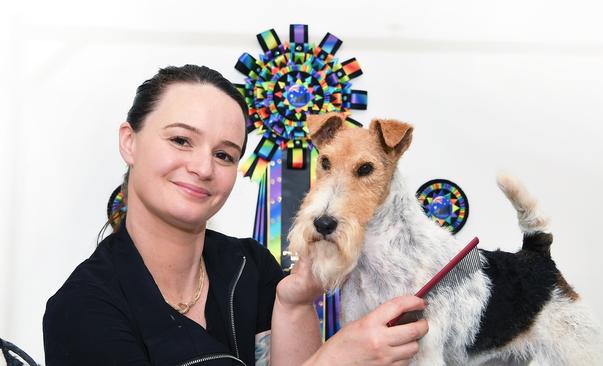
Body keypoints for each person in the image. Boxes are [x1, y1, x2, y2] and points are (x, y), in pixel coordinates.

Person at [42, 64, 428, 366]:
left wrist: (293, 303)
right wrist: (333, 359)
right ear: (130, 141)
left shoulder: (252, 267)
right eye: (180, 140)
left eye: (224, 154)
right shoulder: (81, 309)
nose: (203, 168)